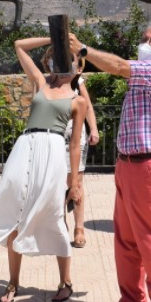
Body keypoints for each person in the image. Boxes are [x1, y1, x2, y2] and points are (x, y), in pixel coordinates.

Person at [69, 22, 151, 302]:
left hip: (149, 164)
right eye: (144, 38)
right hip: (130, 164)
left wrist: (83, 50)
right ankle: (132, 298)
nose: (146, 44)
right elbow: (119, 66)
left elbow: (117, 66)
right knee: (127, 238)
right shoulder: (145, 73)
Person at [0, 37, 87, 302]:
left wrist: (75, 182)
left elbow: (76, 144)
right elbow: (19, 45)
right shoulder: (41, 82)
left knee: (54, 212)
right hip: (25, 146)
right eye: (59, 57)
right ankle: (13, 282)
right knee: (14, 210)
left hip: (53, 150)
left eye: (69, 59)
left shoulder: (78, 100)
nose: (62, 62)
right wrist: (55, 38)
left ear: (79, 68)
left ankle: (66, 281)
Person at [41, 47, 99, 249]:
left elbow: (88, 107)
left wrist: (94, 128)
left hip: (75, 137)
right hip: (53, 138)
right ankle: (61, 224)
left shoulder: (77, 82)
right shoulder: (45, 82)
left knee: (76, 182)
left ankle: (79, 228)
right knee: (56, 184)